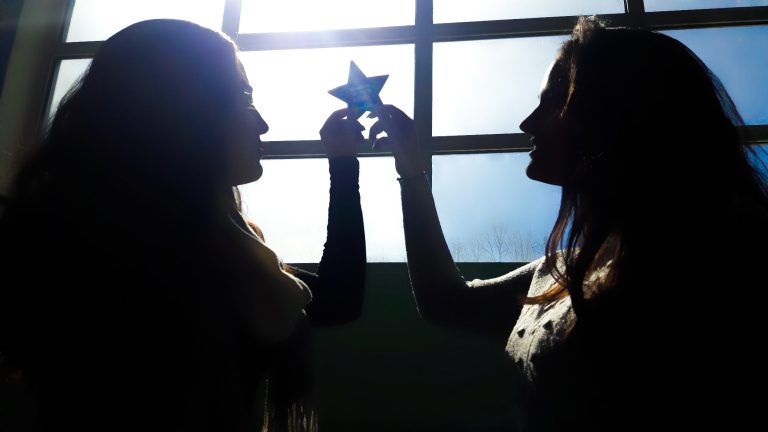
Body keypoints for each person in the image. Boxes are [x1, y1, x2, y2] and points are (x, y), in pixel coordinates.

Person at [369, 17, 768, 431]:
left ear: (618, 111)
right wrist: (411, 172)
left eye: (554, 102)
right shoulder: (559, 272)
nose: (527, 124)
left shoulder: (739, 263)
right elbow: (446, 301)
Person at [0, 19, 365, 432]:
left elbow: (338, 299)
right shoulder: (120, 263)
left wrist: (343, 163)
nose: (262, 123)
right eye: (243, 97)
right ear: (181, 109)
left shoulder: (224, 245)